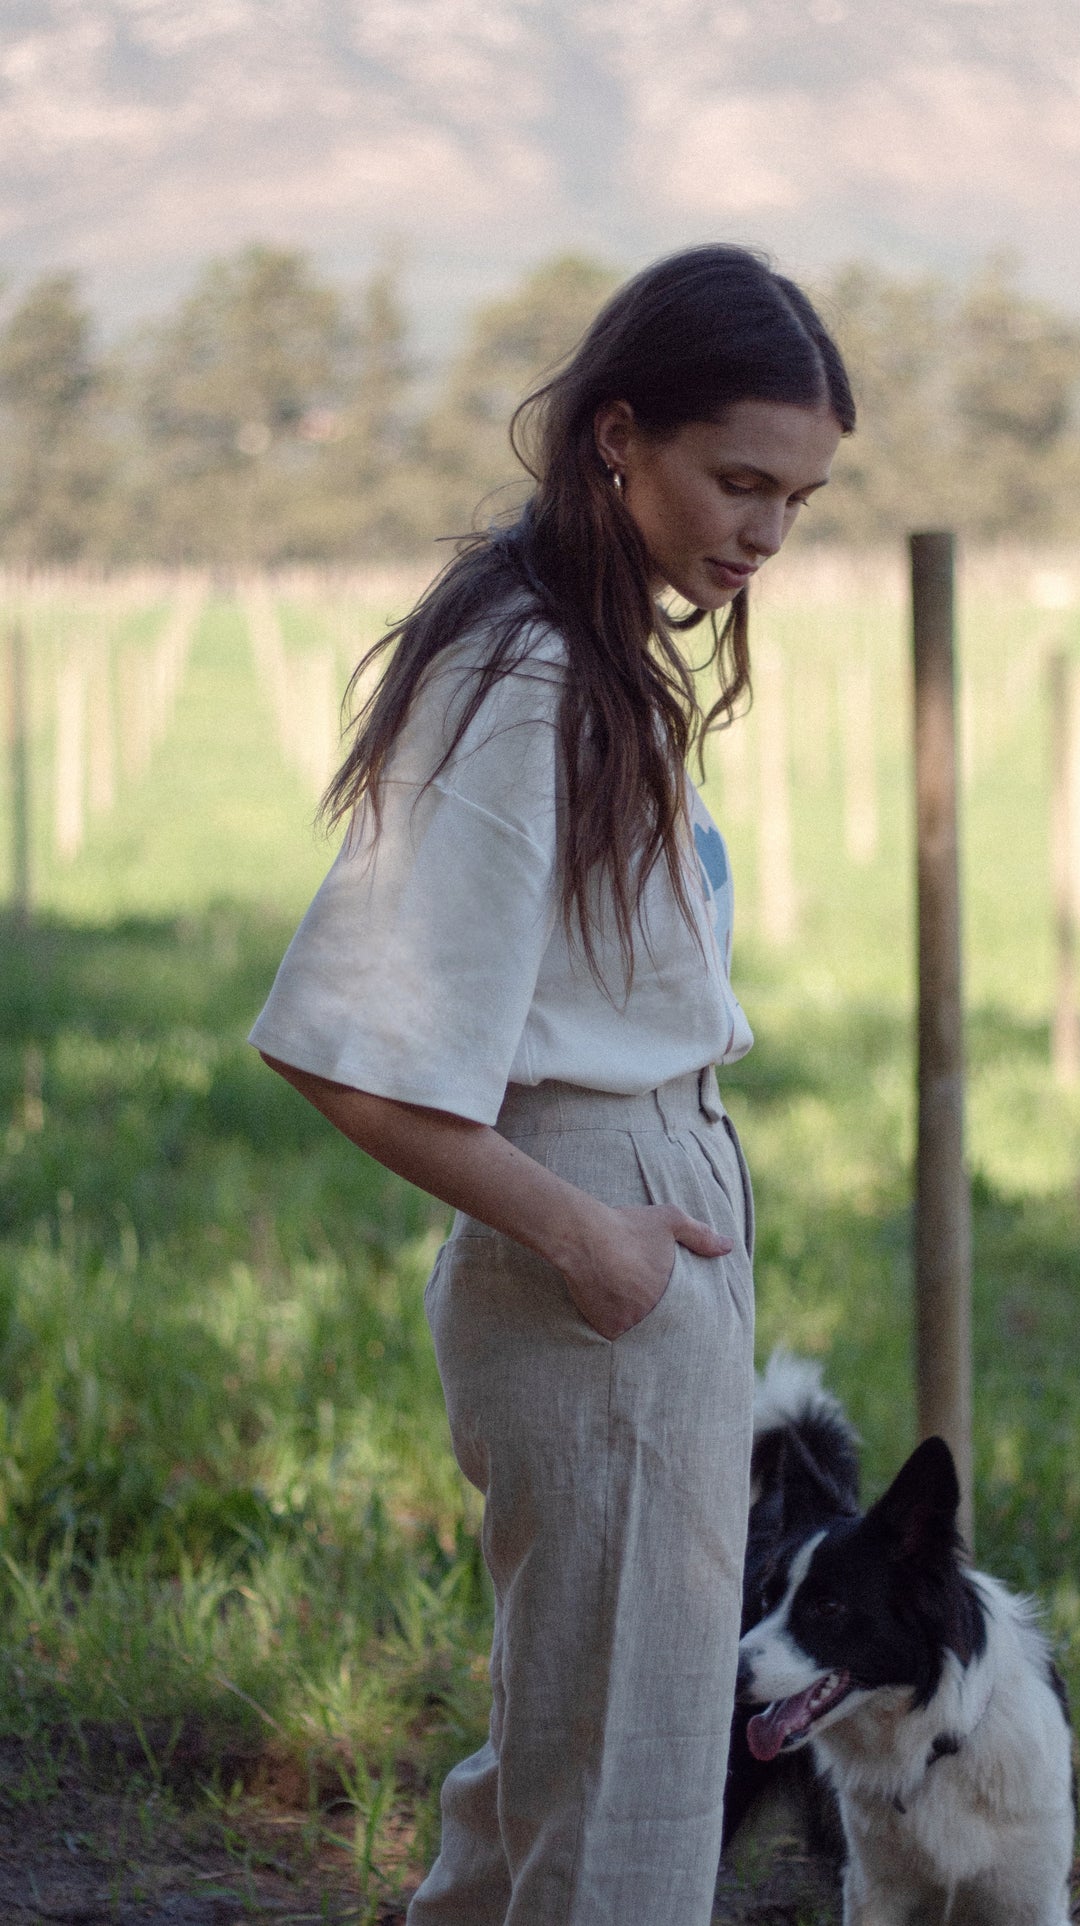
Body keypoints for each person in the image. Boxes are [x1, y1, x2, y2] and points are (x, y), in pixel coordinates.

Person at [249, 243, 854, 1925]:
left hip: (638, 1238)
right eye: (737, 481)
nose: (764, 535)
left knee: (568, 1773)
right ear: (615, 435)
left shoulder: (585, 658)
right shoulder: (523, 680)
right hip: (591, 1255)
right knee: (624, 1792)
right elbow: (345, 1049)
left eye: (799, 501)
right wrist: (589, 1242)